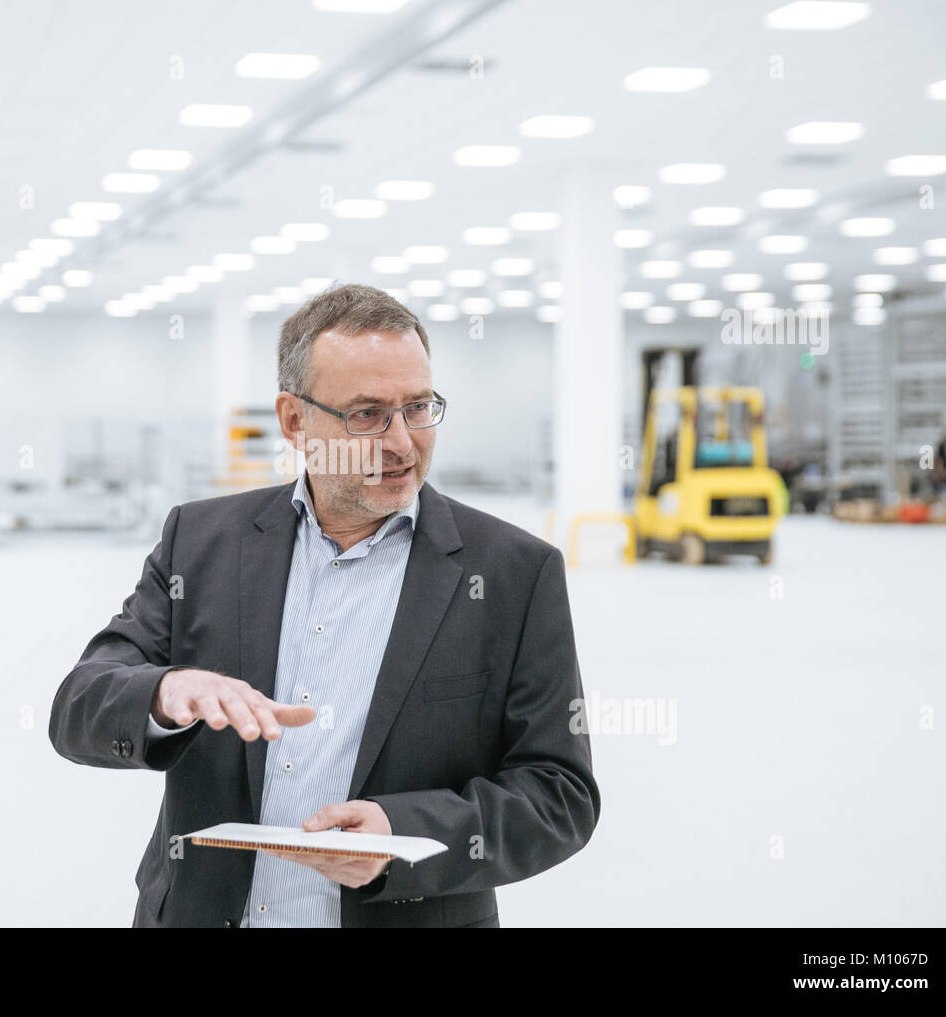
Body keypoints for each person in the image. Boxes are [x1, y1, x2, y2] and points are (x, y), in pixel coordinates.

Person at [48, 283, 600, 927]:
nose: (401, 442)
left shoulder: (510, 573)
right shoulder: (199, 544)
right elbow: (77, 707)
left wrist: (401, 833)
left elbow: (560, 794)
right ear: (294, 421)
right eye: (368, 414)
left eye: (418, 407)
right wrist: (164, 692)